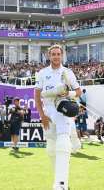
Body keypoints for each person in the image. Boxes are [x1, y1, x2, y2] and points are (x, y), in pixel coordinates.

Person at [34, 44, 82, 190]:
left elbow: (78, 91)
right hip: (48, 110)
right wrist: (42, 115)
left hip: (62, 108)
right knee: (50, 148)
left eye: (58, 54)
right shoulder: (42, 73)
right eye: (53, 54)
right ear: (49, 56)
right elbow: (37, 95)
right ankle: (59, 180)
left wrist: (68, 94)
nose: (56, 56)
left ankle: (61, 184)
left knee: (62, 142)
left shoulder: (68, 72)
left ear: (61, 56)